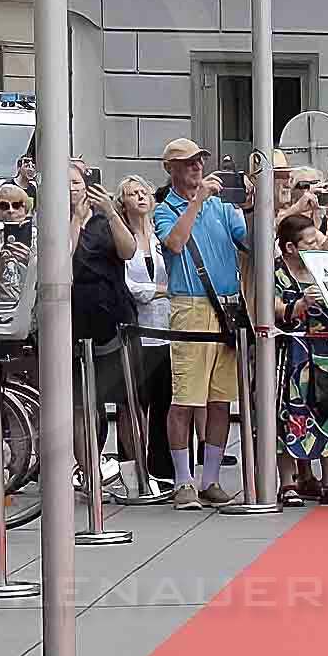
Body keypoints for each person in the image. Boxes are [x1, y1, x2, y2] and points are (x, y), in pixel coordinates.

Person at [158, 152, 254, 503]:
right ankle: (183, 480)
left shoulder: (223, 207)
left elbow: (251, 243)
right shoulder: (165, 208)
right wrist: (197, 202)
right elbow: (175, 243)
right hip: (191, 305)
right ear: (170, 169)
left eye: (199, 161)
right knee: (184, 398)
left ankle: (210, 479)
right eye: (187, 163)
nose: (196, 167)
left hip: (227, 305)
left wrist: (259, 204)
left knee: (220, 400)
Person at [67, 174, 144, 489]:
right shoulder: (53, 220)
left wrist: (110, 213)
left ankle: (137, 473)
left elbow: (128, 251)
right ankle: (90, 474)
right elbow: (63, 260)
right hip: (73, 316)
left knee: (128, 399)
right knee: (83, 403)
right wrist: (74, 217)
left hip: (114, 313)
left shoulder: (104, 217)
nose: (73, 187)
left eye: (77, 181)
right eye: (67, 182)